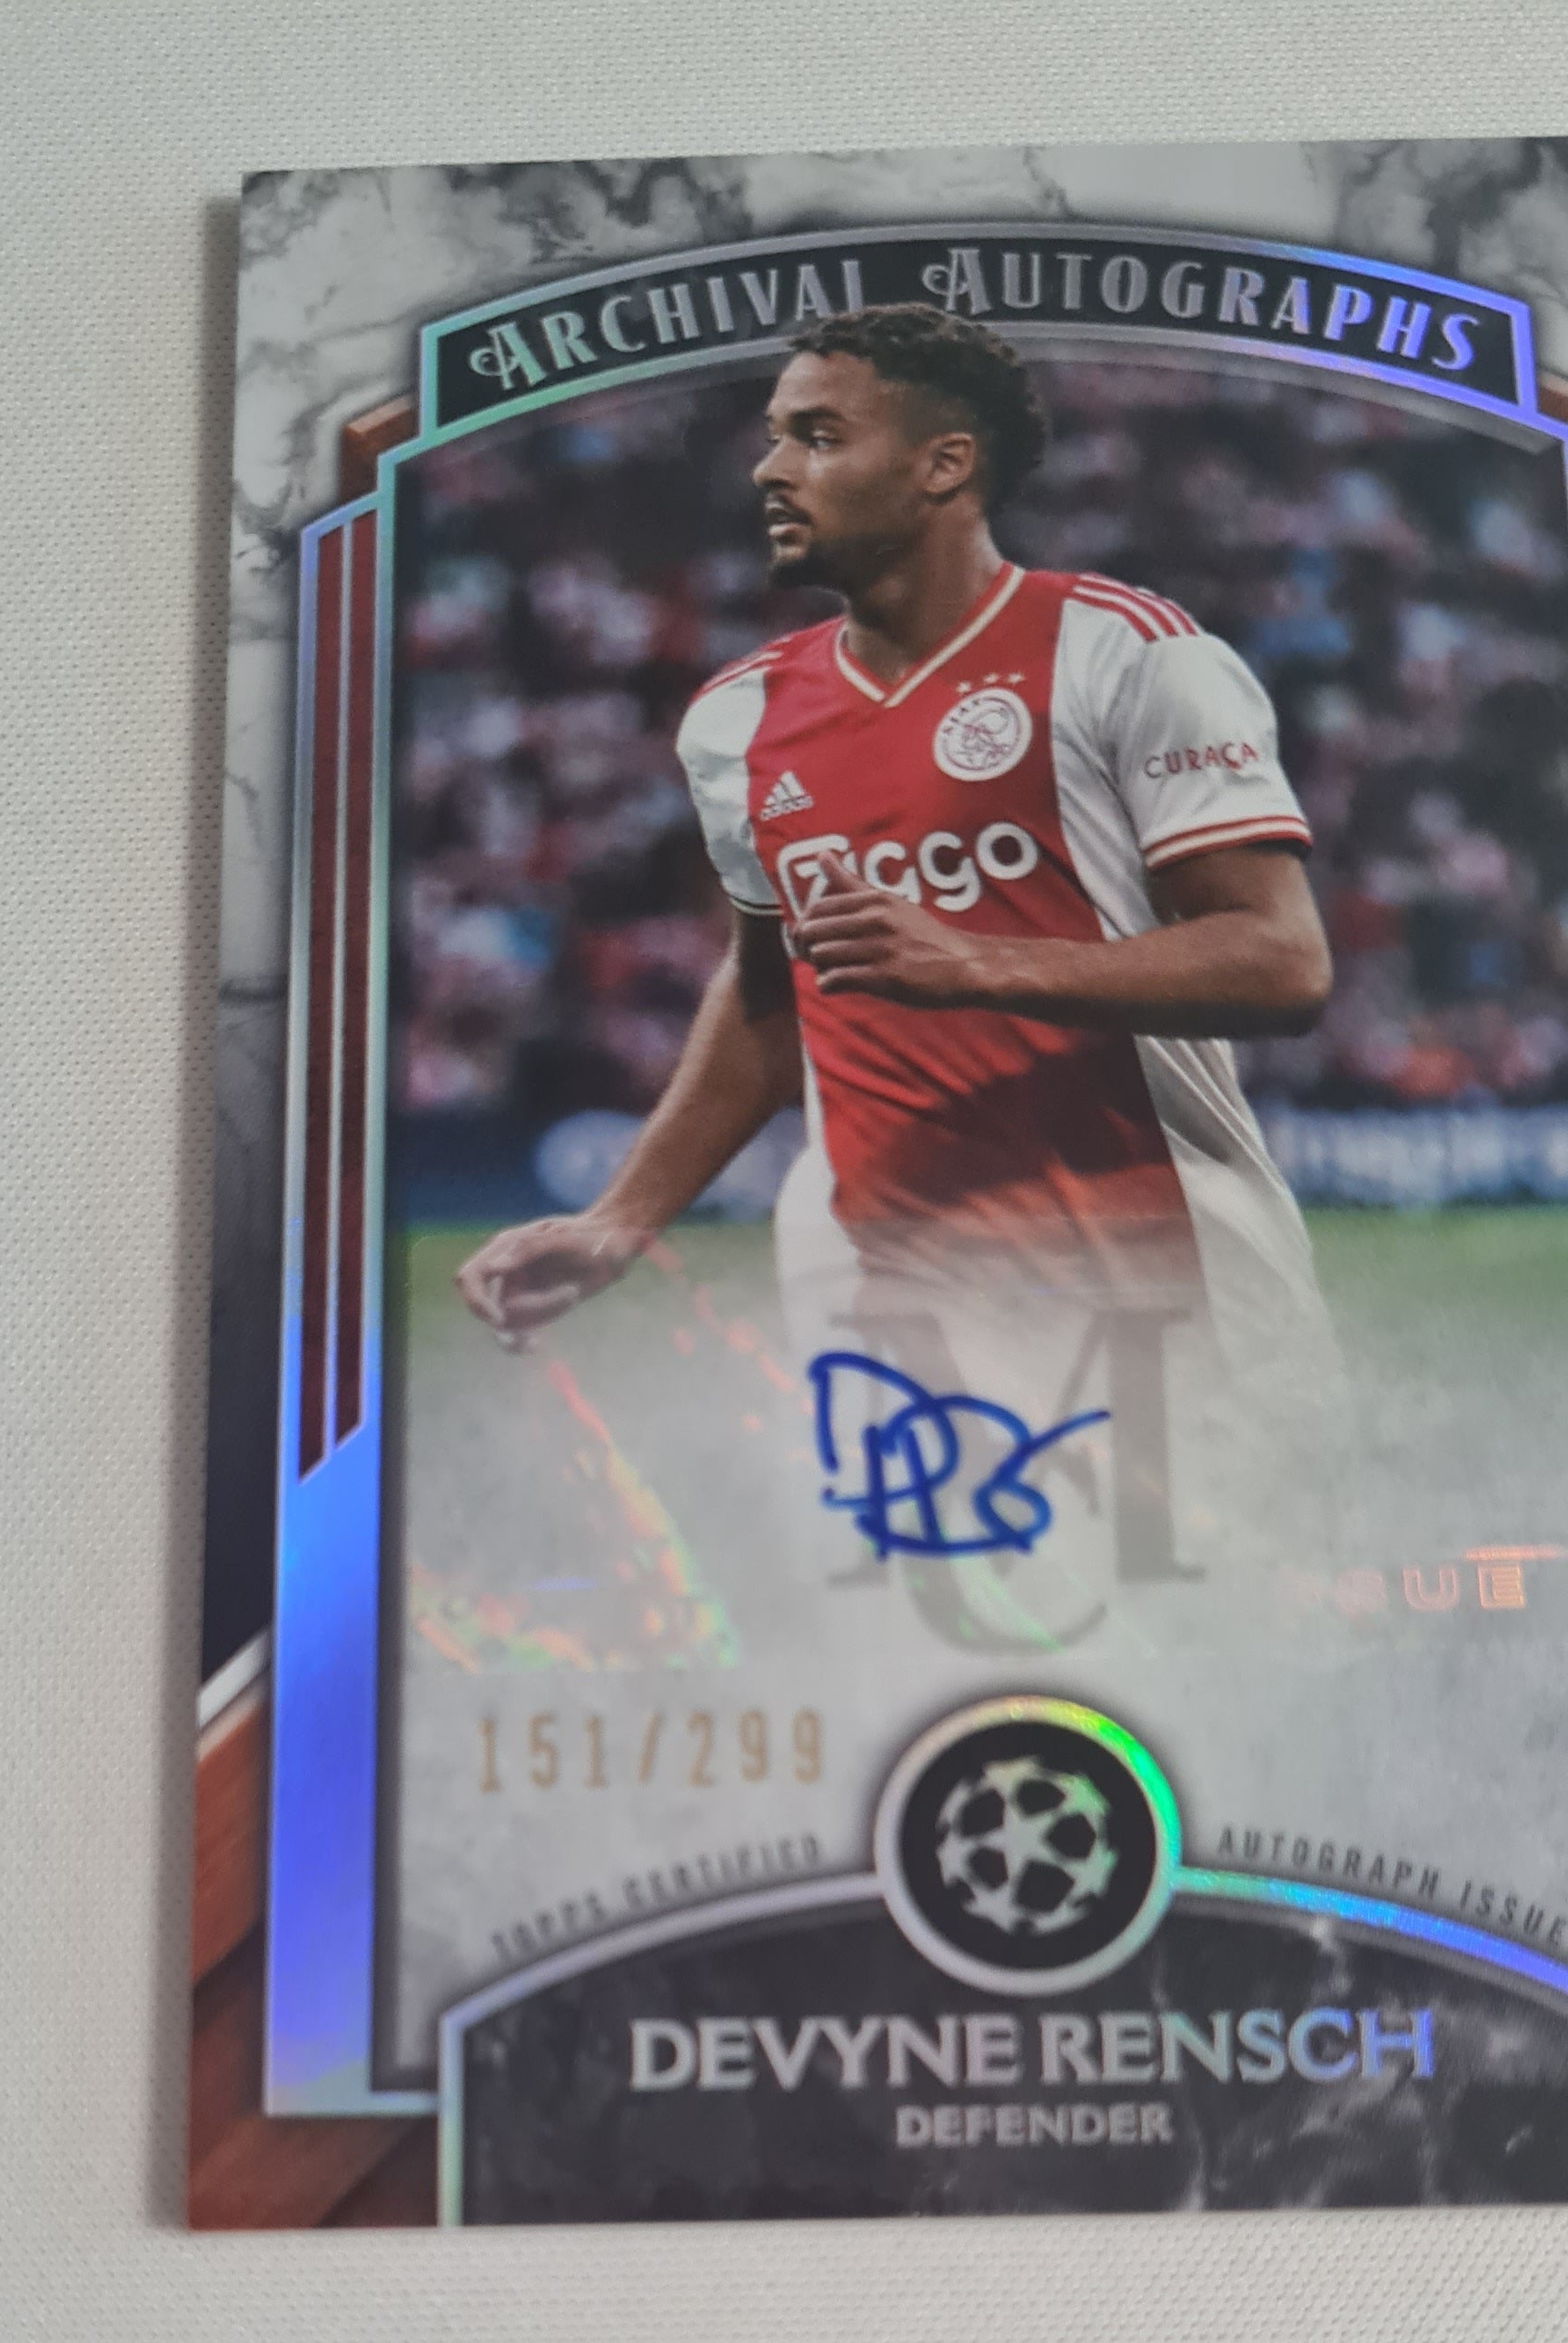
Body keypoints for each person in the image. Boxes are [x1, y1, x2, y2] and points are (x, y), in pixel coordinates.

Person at [457, 305, 1337, 1593]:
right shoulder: (736, 720)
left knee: (1234, 1645)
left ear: (944, 465)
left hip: (1159, 1261)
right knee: (922, 1657)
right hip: (882, 1281)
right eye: (773, 437)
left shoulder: (1125, 652)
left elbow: (1281, 962)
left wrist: (981, 963)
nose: (770, 469)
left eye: (818, 436)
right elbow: (772, 984)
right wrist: (622, 1218)